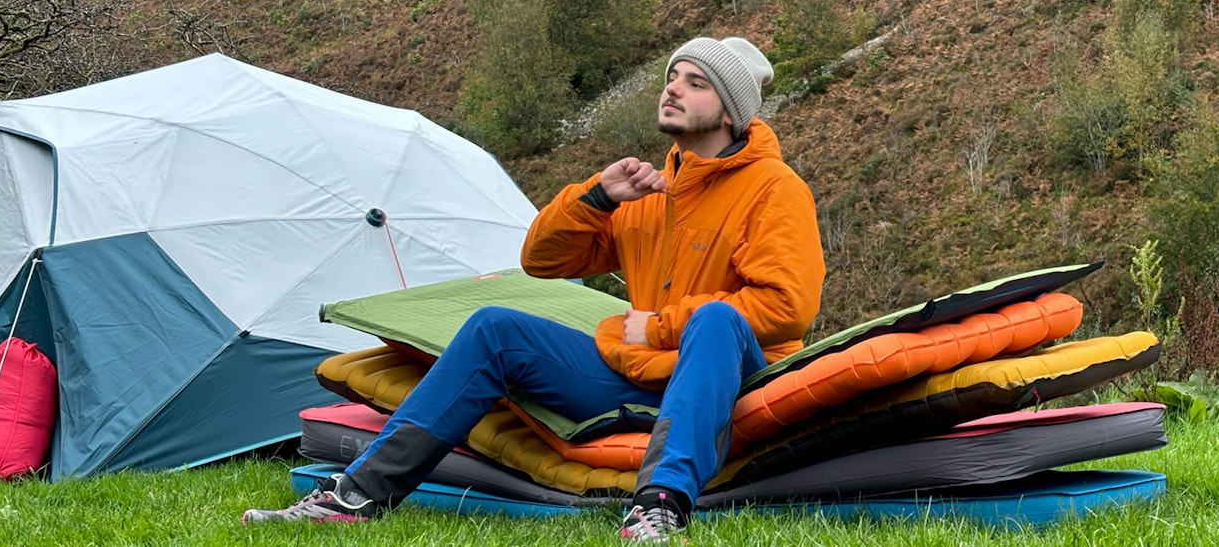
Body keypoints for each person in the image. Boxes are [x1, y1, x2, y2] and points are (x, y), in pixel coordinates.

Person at [243, 36, 825, 543]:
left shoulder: (774, 188)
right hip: (643, 371)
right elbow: (542, 259)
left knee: (715, 320)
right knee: (495, 328)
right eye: (672, 76)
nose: (672, 89)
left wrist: (658, 326)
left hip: (731, 377)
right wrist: (598, 196)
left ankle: (659, 507)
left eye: (695, 83)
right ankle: (354, 497)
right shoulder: (649, 192)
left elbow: (786, 307)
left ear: (730, 113)